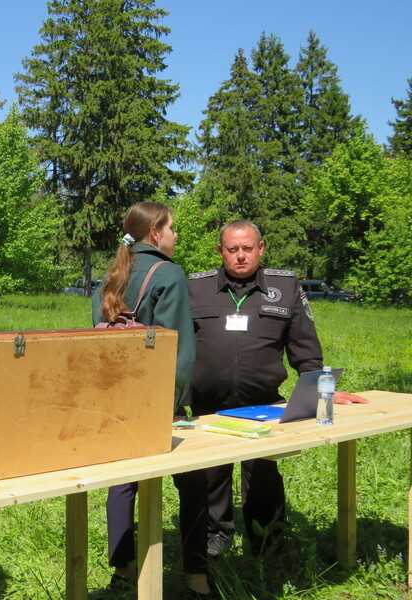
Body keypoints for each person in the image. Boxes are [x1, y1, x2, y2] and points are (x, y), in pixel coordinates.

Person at [188, 219, 367, 559]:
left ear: (261, 249)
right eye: (232, 249)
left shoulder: (284, 287)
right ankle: (216, 535)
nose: (240, 256)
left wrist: (324, 392)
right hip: (208, 402)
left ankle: (267, 538)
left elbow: (306, 350)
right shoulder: (196, 287)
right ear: (220, 252)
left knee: (263, 475)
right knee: (210, 476)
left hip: (263, 404)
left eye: (247, 248)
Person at [92, 202, 211, 598]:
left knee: (122, 485)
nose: (176, 235)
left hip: (115, 401)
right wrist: (175, 405)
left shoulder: (111, 275)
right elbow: (179, 350)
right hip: (158, 401)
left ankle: (123, 569)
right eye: (172, 228)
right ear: (156, 233)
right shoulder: (170, 274)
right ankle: (196, 575)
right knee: (195, 481)